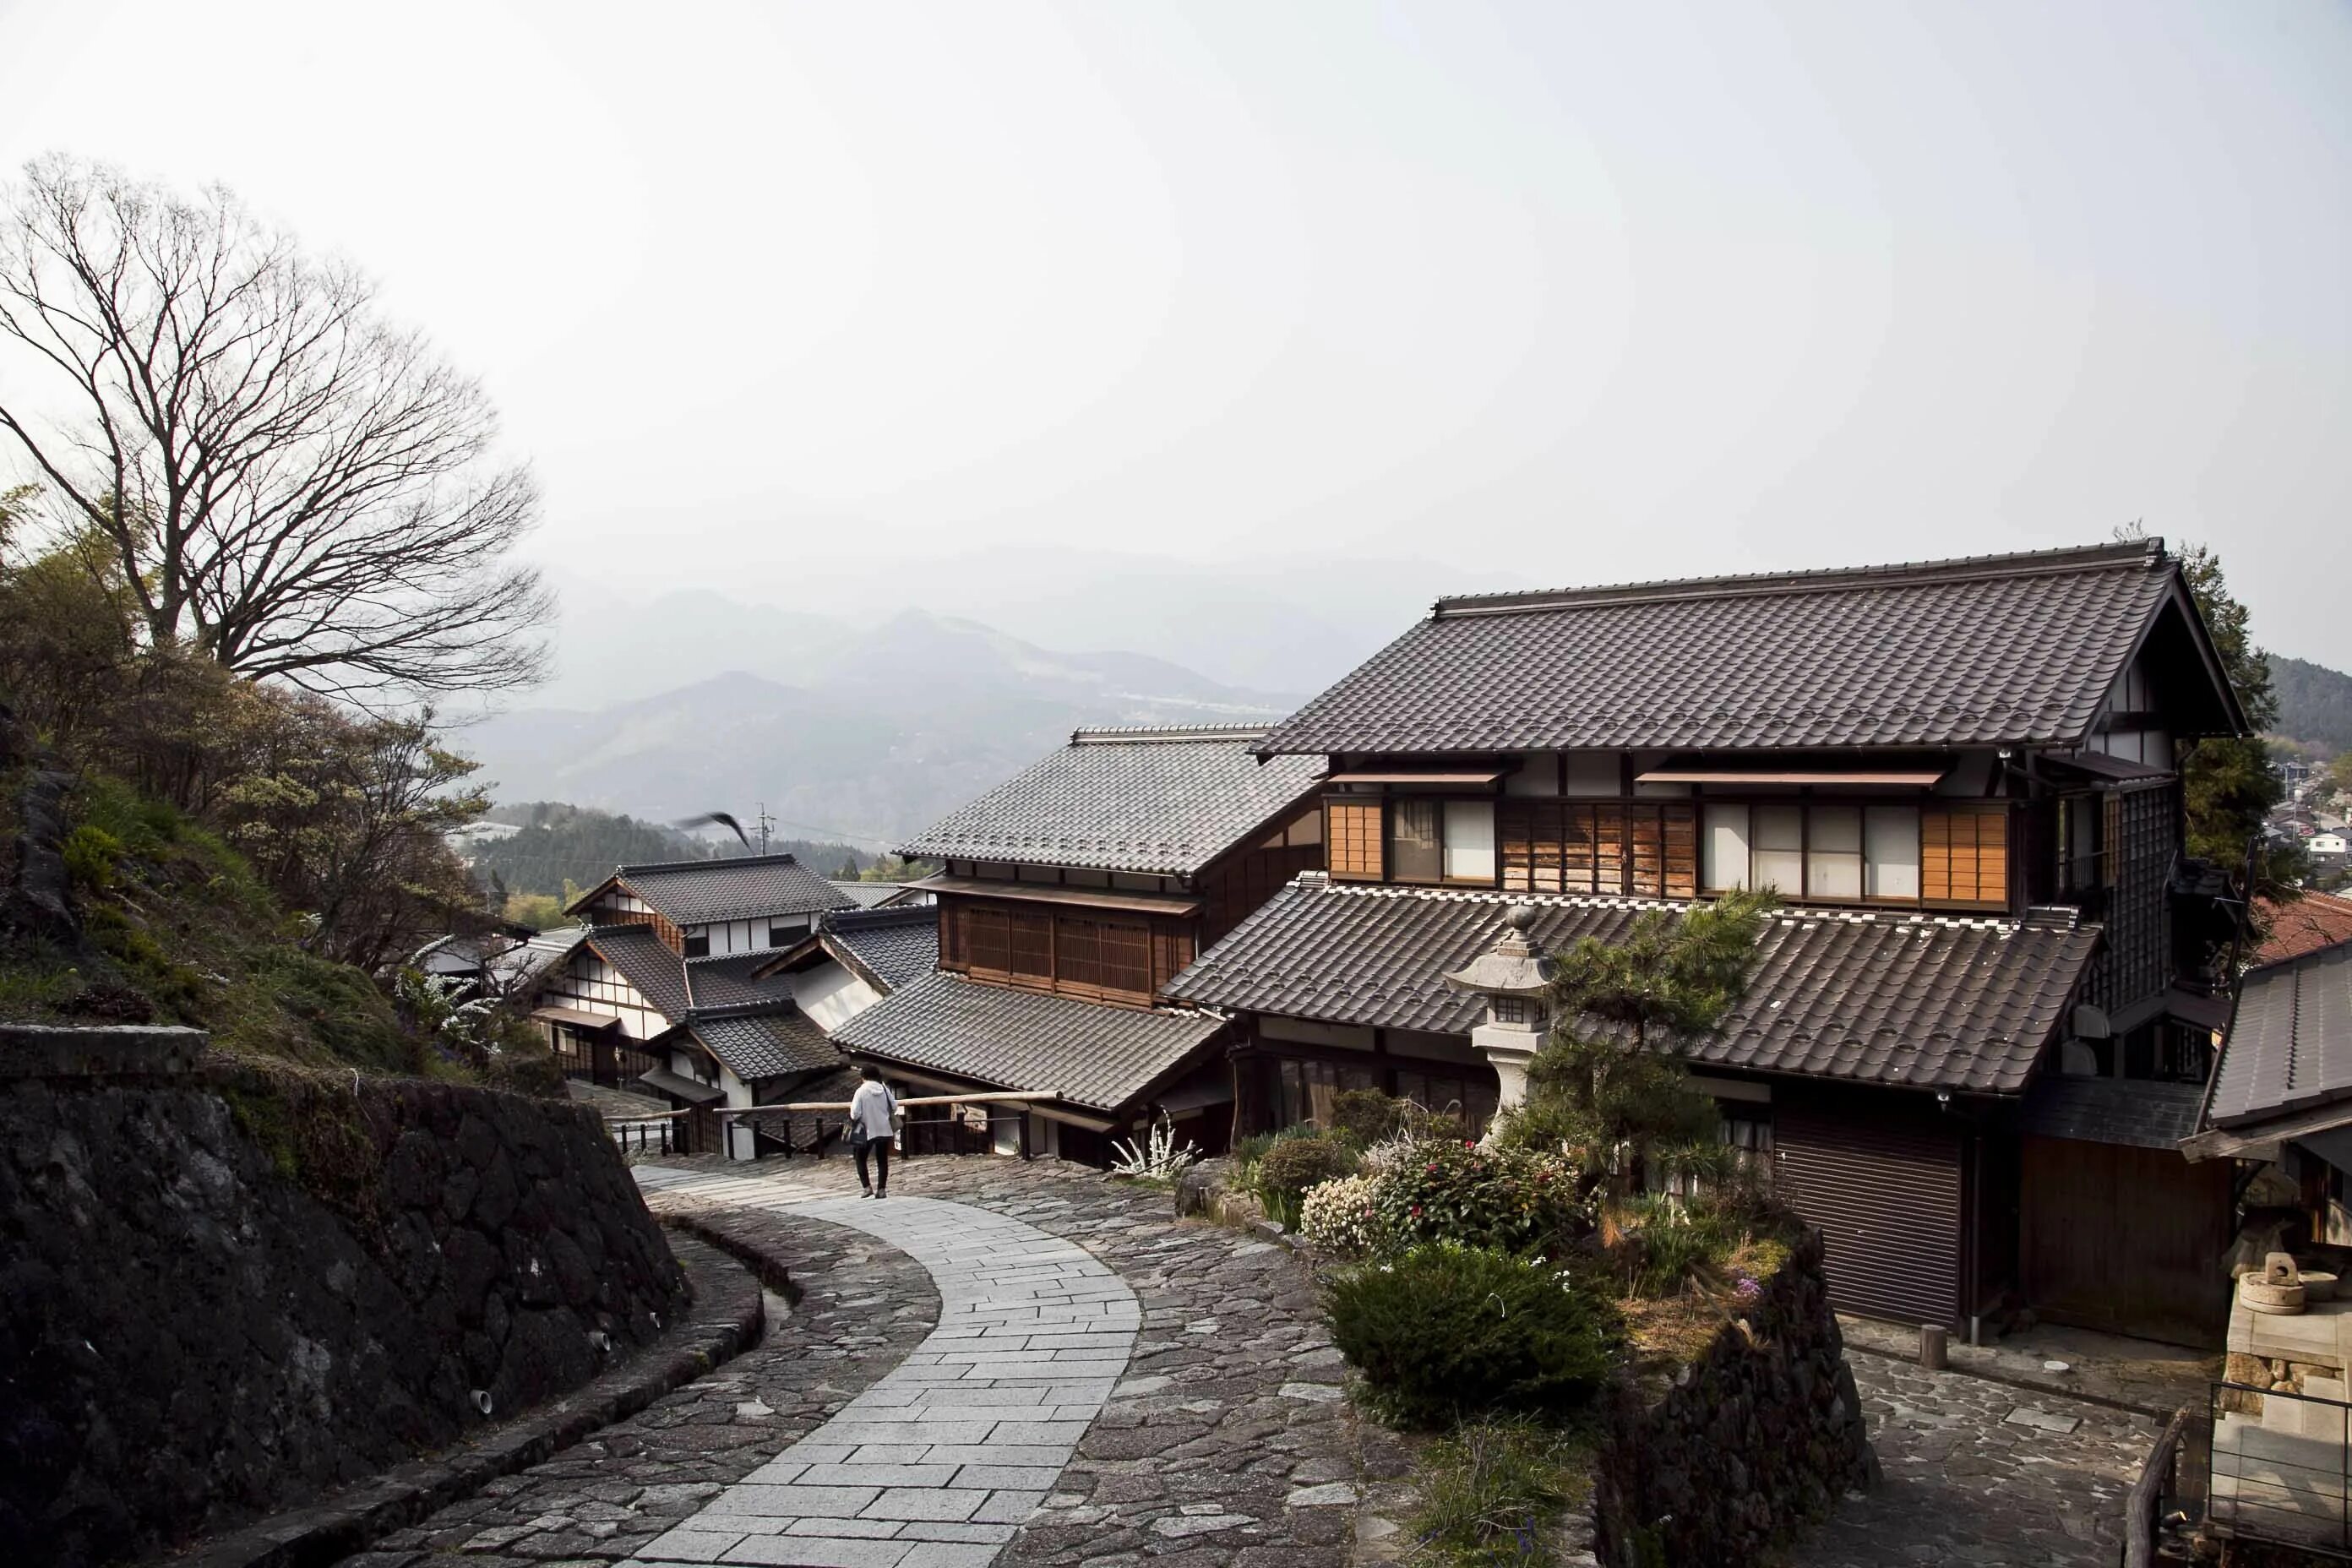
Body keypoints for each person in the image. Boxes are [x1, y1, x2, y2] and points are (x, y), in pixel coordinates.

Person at [847, 1064, 897, 1199]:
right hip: (884, 1128)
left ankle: (867, 1187)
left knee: (860, 1158)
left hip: (866, 1130)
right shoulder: (884, 1089)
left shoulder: (861, 1091)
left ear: (863, 1077)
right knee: (882, 1160)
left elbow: (854, 1113)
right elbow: (894, 1106)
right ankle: (881, 1190)